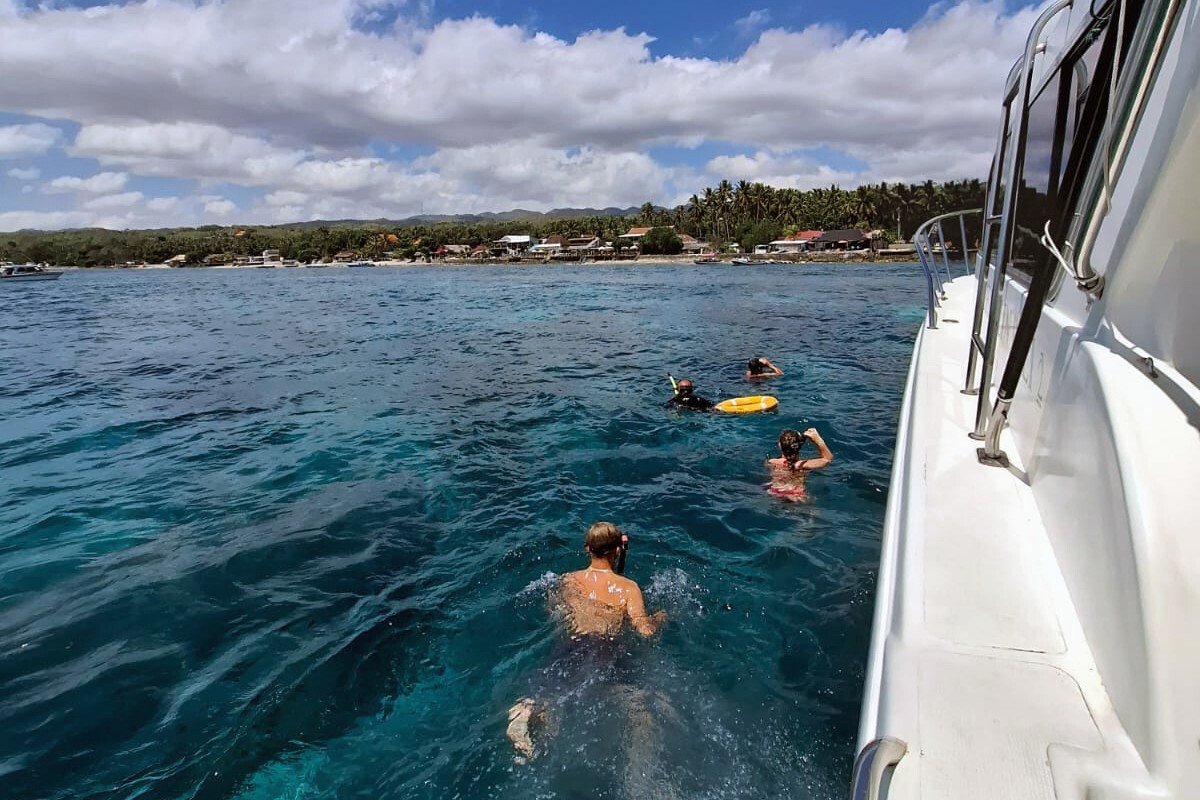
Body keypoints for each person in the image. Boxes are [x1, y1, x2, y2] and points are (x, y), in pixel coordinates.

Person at [506, 522, 667, 761]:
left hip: (570, 646)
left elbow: (555, 613)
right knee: (638, 707)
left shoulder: (568, 581)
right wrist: (661, 618)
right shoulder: (628, 588)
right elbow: (644, 631)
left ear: (586, 548)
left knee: (550, 694)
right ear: (616, 549)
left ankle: (528, 710)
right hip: (606, 648)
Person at [766, 428, 833, 501]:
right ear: (799, 446)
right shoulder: (802, 465)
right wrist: (818, 440)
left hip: (775, 492)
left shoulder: (771, 462)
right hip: (796, 496)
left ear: (780, 445)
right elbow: (827, 459)